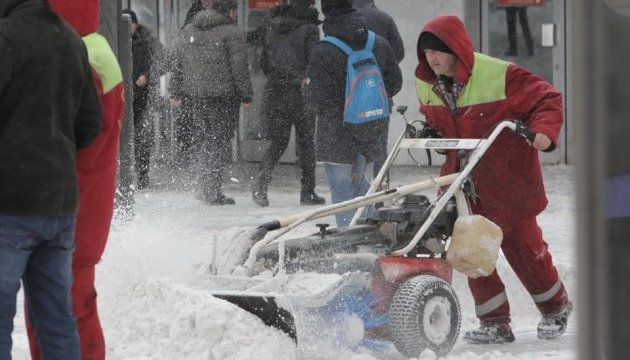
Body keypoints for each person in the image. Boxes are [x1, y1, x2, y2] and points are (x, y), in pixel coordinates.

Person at [415, 15, 571, 343]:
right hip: (462, 184)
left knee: (524, 250)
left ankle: (556, 307)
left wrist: (542, 132)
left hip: (507, 180)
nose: (431, 58)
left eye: (437, 51)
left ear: (455, 49)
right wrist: (430, 131)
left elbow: (548, 99)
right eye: (426, 52)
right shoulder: (426, 82)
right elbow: (436, 120)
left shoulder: (500, 75)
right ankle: (494, 322)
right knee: (470, 252)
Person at [0, 0, 102, 358]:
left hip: (10, 203)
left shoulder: (5, 38)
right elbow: (91, 122)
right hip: (59, 205)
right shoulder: (71, 40)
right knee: (57, 320)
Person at [24, 1, 124, 359]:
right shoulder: (93, 48)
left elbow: (77, 140)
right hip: (82, 204)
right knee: (59, 308)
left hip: (71, 207)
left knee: (67, 311)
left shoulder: (80, 56)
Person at [303, 0, 402, 226]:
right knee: (366, 192)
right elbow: (395, 84)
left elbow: (312, 96)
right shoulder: (378, 42)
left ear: (326, 12)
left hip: (336, 133)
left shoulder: (324, 49)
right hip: (371, 129)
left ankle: (348, 245)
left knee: (342, 195)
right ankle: (365, 239)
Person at [171, 0, 253, 205]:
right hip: (223, 97)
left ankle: (203, 187)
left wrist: (176, 91)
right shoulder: (232, 32)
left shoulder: (189, 28)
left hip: (196, 96)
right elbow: (239, 67)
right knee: (218, 143)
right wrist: (246, 95)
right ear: (232, 11)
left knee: (206, 141)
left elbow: (177, 63)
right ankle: (211, 191)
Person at [251, 0, 325, 207]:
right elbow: (314, 62)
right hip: (302, 93)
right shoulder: (310, 29)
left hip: (277, 91)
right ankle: (307, 193)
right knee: (307, 144)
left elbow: (264, 62)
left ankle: (261, 188)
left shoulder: (272, 26)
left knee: (278, 143)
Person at [352, 0, 405, 179]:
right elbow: (399, 52)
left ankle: (356, 195)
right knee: (379, 147)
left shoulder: (346, 20)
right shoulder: (385, 19)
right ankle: (380, 191)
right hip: (379, 93)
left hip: (351, 94)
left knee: (353, 146)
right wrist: (378, 69)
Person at [122, 9, 165, 190]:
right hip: (122, 99)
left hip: (142, 99)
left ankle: (142, 175)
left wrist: (147, 76)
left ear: (135, 24)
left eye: (130, 24)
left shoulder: (147, 41)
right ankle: (122, 175)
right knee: (121, 139)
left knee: (142, 138)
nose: (128, 29)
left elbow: (163, 61)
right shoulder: (115, 41)